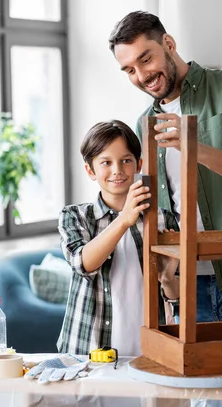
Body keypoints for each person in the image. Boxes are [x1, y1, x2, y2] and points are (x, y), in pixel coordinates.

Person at [109, 11, 222, 326]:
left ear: (168, 43)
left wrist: (194, 147)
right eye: (129, 70)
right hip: (186, 282)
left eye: (146, 59)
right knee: (192, 377)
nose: (141, 75)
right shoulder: (145, 124)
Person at [57, 119, 179, 357]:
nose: (117, 170)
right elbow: (83, 264)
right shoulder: (75, 216)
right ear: (90, 170)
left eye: (126, 161)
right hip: (87, 354)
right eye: (106, 162)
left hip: (148, 352)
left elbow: (177, 299)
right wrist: (125, 218)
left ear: (139, 165)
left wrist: (166, 278)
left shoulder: (164, 220)